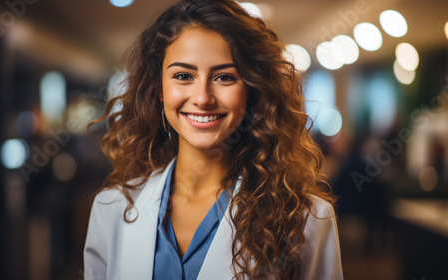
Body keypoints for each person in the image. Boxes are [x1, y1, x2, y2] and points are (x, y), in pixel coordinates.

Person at [84, 0, 343, 279]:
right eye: (183, 76)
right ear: (159, 89)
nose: (202, 98)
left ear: (252, 90)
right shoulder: (110, 210)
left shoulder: (307, 219)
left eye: (224, 77)